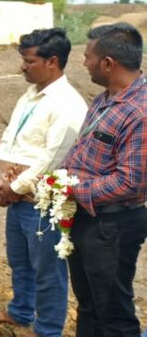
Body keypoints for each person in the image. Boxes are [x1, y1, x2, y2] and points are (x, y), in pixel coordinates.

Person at [0, 28, 86, 336]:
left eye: (29, 61)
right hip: (17, 196)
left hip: (44, 201)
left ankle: (47, 329)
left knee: (48, 271)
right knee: (20, 261)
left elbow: (53, 157)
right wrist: (0, 183)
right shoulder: (30, 96)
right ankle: (20, 311)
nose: (22, 67)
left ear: (52, 61)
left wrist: (13, 188)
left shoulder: (67, 104)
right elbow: (11, 140)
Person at [62, 22, 147, 336]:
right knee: (89, 305)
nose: (84, 63)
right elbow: (82, 151)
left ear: (108, 63)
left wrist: (73, 189)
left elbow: (132, 182)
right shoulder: (104, 100)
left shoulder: (139, 111)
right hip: (88, 217)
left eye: (87, 57)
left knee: (113, 313)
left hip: (113, 225)